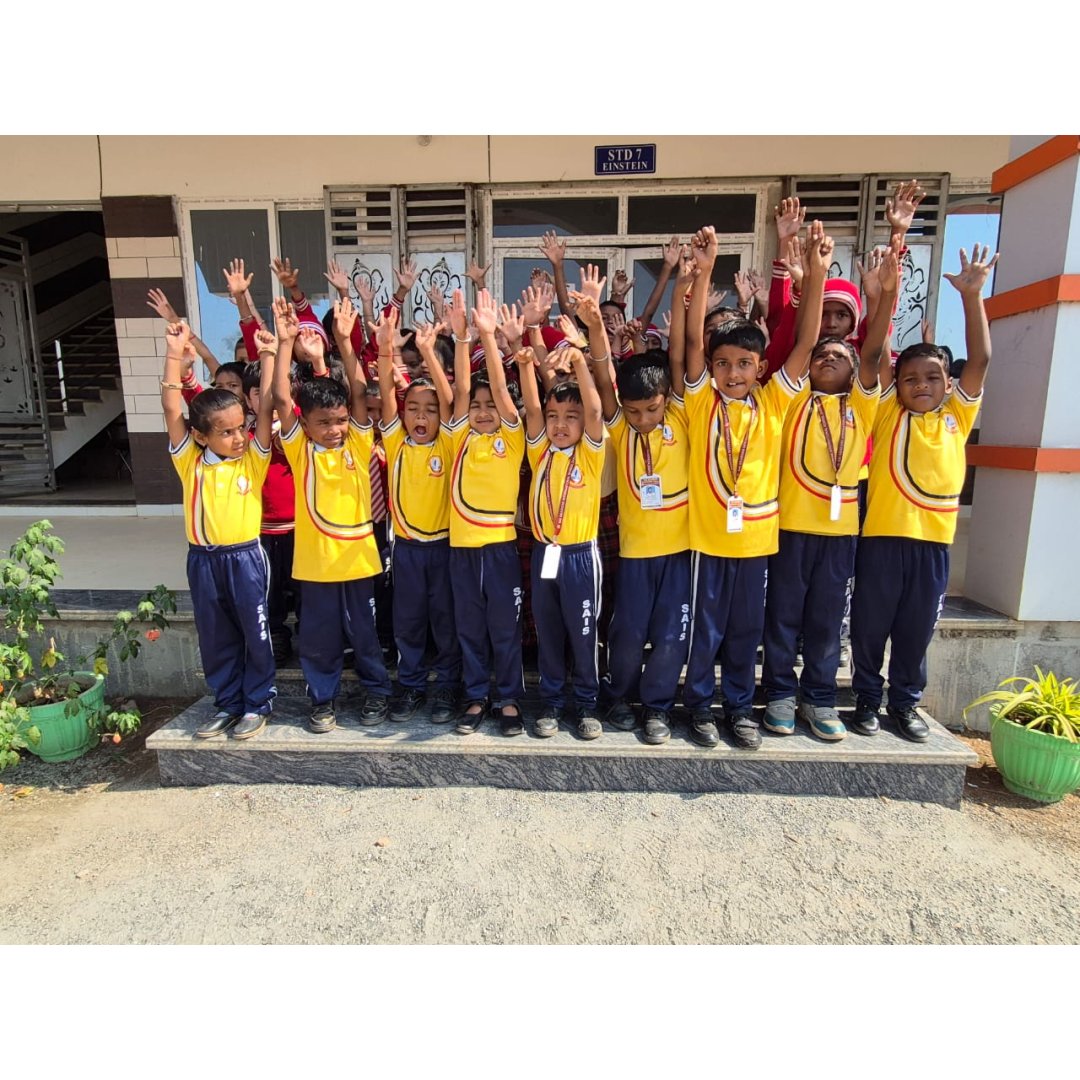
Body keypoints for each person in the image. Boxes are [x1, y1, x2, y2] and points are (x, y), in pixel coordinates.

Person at [681, 222, 829, 750]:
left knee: (746, 634)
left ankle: (740, 708)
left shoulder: (774, 402)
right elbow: (693, 341)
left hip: (757, 544)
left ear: (761, 367)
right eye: (723, 364)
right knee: (706, 632)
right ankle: (700, 706)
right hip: (707, 544)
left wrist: (815, 276)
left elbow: (807, 342)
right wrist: (704, 271)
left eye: (744, 364)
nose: (733, 373)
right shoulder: (701, 403)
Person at [850, 245, 998, 741]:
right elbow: (874, 354)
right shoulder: (886, 414)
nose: (920, 385)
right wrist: (885, 298)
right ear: (896, 387)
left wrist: (972, 298)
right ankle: (867, 699)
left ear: (948, 384)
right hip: (881, 543)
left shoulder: (957, 416)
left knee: (915, 633)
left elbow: (981, 358)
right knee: (870, 628)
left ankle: (905, 704)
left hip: (933, 547)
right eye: (910, 379)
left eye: (932, 377)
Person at [761, 241, 900, 741]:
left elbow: (875, 348)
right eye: (821, 354)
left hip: (839, 535)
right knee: (782, 617)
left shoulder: (862, 406)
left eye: (839, 355)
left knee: (825, 620)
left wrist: (886, 295)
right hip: (790, 530)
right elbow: (802, 340)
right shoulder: (792, 401)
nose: (827, 357)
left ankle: (818, 698)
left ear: (853, 370)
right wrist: (814, 277)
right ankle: (779, 693)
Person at [575, 267, 691, 746]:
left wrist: (685, 286)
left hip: (680, 552)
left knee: (671, 635)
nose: (643, 419)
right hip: (634, 553)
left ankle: (657, 706)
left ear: (667, 401)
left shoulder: (682, 416)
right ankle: (619, 697)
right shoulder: (621, 428)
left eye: (652, 409)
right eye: (635, 410)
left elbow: (680, 356)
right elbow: (605, 375)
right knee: (626, 633)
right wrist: (594, 323)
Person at [271, 296, 393, 734]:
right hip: (317, 566)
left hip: (359, 562)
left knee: (366, 635)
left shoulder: (358, 444)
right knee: (319, 640)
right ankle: (323, 700)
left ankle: (377, 692)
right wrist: (285, 343)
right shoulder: (300, 451)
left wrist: (344, 341)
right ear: (305, 424)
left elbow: (358, 391)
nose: (335, 429)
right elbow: (281, 398)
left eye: (340, 420)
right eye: (324, 423)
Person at [159, 320, 277, 740]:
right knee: (215, 635)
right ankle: (227, 702)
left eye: (240, 427)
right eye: (226, 432)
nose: (238, 437)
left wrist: (268, 354)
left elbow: (266, 408)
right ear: (200, 436)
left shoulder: (253, 460)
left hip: (245, 558)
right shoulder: (189, 462)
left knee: (254, 633)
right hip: (203, 561)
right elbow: (171, 407)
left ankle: (257, 703)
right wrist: (175, 353)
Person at [515, 309, 606, 740]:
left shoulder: (590, 452)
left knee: (583, 633)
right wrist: (524, 366)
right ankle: (551, 702)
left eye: (571, 417)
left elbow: (595, 406)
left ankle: (586, 702)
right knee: (548, 631)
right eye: (555, 417)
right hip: (544, 553)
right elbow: (533, 407)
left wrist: (580, 360)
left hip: (580, 558)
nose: (560, 424)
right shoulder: (540, 452)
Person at [374, 310, 461, 725]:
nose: (421, 417)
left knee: (445, 622)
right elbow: (385, 391)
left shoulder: (448, 443)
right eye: (413, 409)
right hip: (406, 551)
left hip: (443, 549)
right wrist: (385, 349)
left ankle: (446, 685)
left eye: (430, 410)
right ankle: (410, 684)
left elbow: (450, 399)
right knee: (407, 622)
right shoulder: (395, 442)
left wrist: (428, 352)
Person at [446, 289, 527, 736]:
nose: (481, 411)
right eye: (475, 407)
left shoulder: (512, 439)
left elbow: (498, 387)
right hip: (462, 551)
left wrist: (489, 337)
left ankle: (509, 697)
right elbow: (462, 389)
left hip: (499, 550)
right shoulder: (457, 438)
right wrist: (462, 339)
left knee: (504, 629)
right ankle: (476, 695)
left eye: (489, 406)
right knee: (470, 629)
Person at [241, 360, 298, 664]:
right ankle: (277, 635)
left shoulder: (297, 429)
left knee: (302, 587)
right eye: (260, 394)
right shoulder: (244, 435)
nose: (270, 404)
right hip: (261, 528)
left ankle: (310, 634)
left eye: (278, 395)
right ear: (247, 398)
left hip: (299, 526)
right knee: (269, 588)